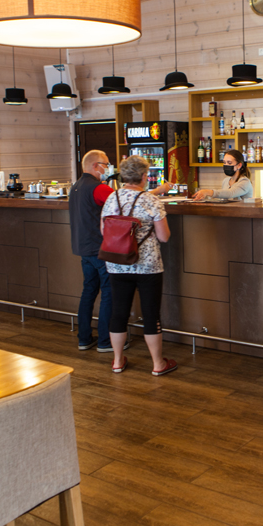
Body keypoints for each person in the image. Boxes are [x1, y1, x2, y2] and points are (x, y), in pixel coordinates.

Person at [101, 155, 177, 376]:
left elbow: (103, 231)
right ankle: (158, 364)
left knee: (119, 312)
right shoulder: (151, 201)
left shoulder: (112, 198)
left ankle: (117, 361)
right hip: (148, 265)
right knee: (151, 314)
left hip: (117, 264)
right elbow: (164, 237)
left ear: (123, 176)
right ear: (144, 176)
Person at [69, 149, 117, 352]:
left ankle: (84, 338)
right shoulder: (98, 188)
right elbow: (122, 203)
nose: (108, 168)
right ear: (95, 166)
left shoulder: (76, 187)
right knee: (108, 293)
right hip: (100, 248)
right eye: (106, 164)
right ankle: (105, 341)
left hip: (83, 248)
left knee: (88, 291)